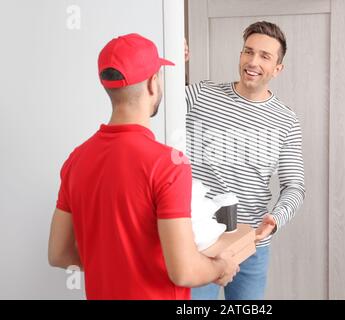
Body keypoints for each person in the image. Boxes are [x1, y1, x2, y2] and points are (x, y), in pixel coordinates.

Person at [48, 33, 239, 300]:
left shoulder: (76, 160)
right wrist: (222, 266)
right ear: (152, 84)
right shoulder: (169, 164)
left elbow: (59, 254)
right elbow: (183, 272)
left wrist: (111, 262)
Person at [185, 21, 306, 300]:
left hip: (252, 244)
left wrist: (275, 219)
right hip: (199, 240)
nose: (252, 61)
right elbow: (154, 104)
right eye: (247, 51)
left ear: (278, 69)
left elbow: (294, 186)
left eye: (265, 56)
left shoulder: (286, 120)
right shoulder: (202, 94)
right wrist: (172, 64)